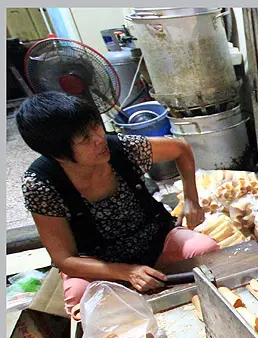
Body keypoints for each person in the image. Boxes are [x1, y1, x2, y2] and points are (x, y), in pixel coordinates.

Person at [16, 91, 219, 317]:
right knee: (81, 299)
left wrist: (191, 199)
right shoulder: (41, 184)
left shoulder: (122, 148)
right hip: (98, 262)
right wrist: (126, 272)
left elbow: (180, 149)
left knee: (205, 251)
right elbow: (64, 259)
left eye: (95, 126)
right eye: (85, 139)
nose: (99, 138)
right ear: (58, 154)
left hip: (155, 239)